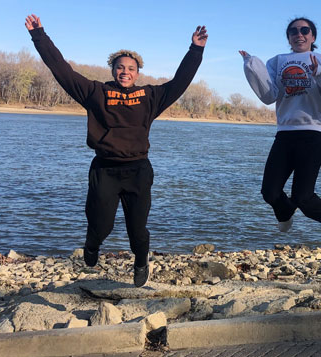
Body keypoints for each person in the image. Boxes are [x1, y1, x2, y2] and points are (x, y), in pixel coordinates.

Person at [24, 14, 207, 286]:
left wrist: (195, 50)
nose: (125, 72)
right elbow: (61, 70)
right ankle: (92, 242)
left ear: (138, 72)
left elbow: (180, 82)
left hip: (138, 170)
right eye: (120, 67)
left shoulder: (150, 97)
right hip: (105, 169)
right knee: (101, 224)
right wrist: (40, 36)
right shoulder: (94, 93)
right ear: (112, 70)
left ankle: (141, 259)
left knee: (137, 229)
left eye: (131, 68)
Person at [239, 17, 321, 235]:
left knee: (303, 197)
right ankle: (285, 212)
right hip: (285, 135)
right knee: (269, 192)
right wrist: (251, 67)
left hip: (313, 135)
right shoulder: (277, 61)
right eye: (293, 31)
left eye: (304, 30)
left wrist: (320, 73)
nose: (298, 34)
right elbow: (268, 95)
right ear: (288, 38)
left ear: (312, 36)